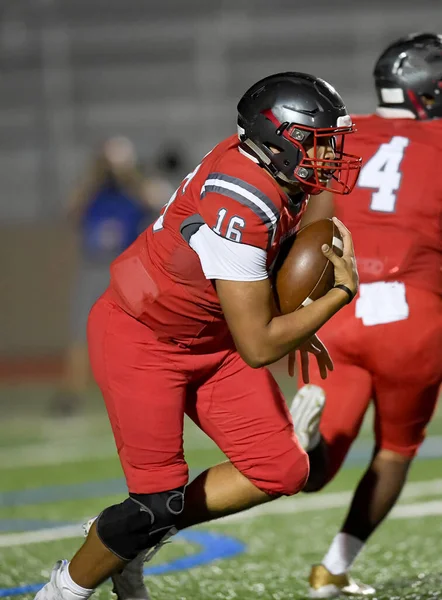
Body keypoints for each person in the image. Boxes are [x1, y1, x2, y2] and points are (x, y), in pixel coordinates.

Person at [35, 72, 361, 600]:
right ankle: (62, 589)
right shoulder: (243, 196)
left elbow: (249, 284)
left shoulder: (268, 168)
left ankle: (134, 539)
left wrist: (289, 318)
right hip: (144, 338)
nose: (329, 156)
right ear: (278, 137)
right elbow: (257, 346)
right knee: (156, 500)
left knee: (280, 469)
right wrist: (334, 297)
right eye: (319, 142)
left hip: (211, 339)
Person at [289, 34, 442, 598]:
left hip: (337, 307)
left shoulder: (345, 129)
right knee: (396, 449)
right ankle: (332, 567)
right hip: (413, 317)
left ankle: (308, 450)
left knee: (315, 470)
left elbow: (306, 209)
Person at [51, 137, 154, 415]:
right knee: (81, 330)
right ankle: (72, 395)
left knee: (140, 332)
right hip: (93, 266)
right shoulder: (94, 192)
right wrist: (96, 174)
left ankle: (145, 390)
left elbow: (155, 200)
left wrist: (128, 173)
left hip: (125, 267)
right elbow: (71, 208)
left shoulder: (133, 191)